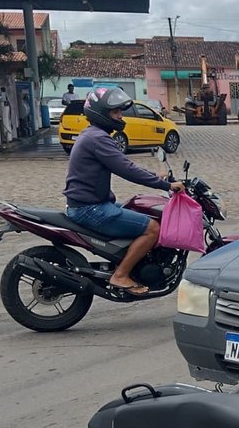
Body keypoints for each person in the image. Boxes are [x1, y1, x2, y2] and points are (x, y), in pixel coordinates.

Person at [63, 87, 183, 294]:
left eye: (119, 111)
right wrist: (166, 185)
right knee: (153, 228)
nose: (120, 116)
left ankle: (132, 262)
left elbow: (124, 164)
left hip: (90, 204)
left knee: (138, 210)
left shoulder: (92, 135)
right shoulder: (98, 138)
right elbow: (126, 169)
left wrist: (157, 176)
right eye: (115, 112)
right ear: (100, 113)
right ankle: (120, 275)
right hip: (90, 209)